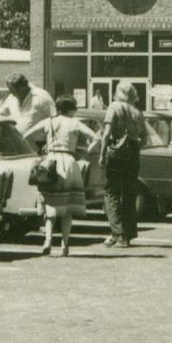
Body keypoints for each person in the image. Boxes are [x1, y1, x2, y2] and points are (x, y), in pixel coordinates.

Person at [31, 96, 98, 257]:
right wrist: (86, 152)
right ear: (69, 109)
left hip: (50, 163)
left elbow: (26, 135)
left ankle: (47, 241)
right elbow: (97, 137)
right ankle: (65, 244)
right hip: (69, 162)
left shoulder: (48, 122)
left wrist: (38, 152)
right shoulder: (74, 123)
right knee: (67, 208)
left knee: (50, 206)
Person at [99, 81, 146, 248]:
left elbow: (106, 134)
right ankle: (128, 232)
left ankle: (118, 234)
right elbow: (145, 137)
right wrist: (134, 147)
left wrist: (102, 154)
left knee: (111, 192)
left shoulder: (114, 107)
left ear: (118, 92)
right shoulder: (137, 111)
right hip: (133, 151)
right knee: (129, 193)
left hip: (116, 150)